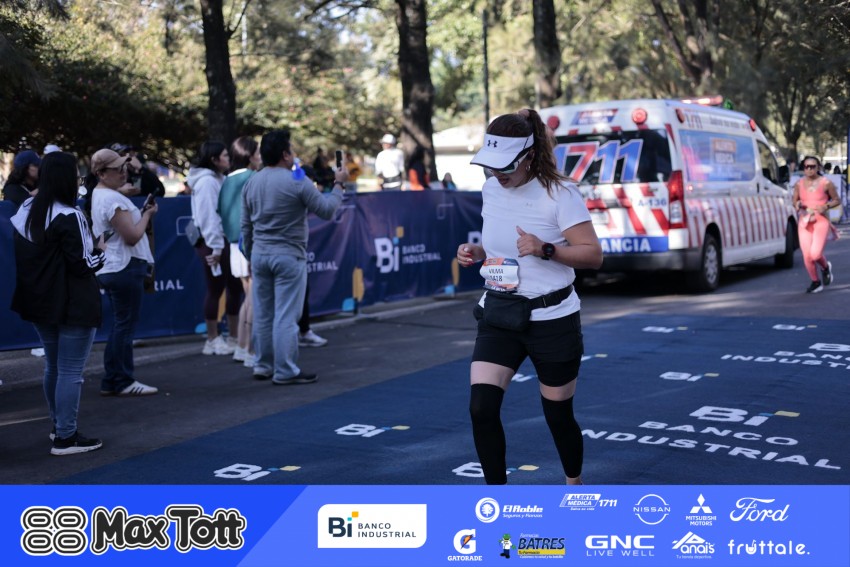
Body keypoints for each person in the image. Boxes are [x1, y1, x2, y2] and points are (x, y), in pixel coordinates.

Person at [456, 108, 602, 485]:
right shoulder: (491, 189)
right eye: (490, 166)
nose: (497, 174)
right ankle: (497, 500)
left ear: (529, 156)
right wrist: (477, 252)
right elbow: (500, 247)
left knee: (558, 415)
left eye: (505, 165)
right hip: (500, 313)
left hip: (552, 319)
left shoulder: (560, 193)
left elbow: (593, 255)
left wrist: (546, 249)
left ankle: (573, 485)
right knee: (481, 409)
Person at [10, 152, 106, 454]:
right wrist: (101, 250)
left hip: (39, 301)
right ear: (66, 179)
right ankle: (66, 435)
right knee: (70, 371)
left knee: (54, 366)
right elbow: (84, 264)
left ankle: (59, 427)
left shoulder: (27, 208)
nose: (79, 180)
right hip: (73, 303)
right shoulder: (70, 215)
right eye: (77, 175)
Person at [241, 129, 345, 385]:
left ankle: (263, 364)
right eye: (292, 150)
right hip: (289, 255)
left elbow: (245, 226)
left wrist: (251, 254)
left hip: (260, 255)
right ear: (285, 155)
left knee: (263, 313)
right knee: (286, 315)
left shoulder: (252, 182)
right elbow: (327, 210)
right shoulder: (297, 181)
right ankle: (285, 370)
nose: (295, 154)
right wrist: (339, 184)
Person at [89, 149, 159, 396]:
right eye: (117, 169)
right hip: (124, 266)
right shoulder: (111, 199)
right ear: (101, 173)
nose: (123, 172)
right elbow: (132, 236)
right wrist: (147, 214)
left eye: (123, 167)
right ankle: (121, 380)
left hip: (114, 266)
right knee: (124, 326)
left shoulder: (102, 195)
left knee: (121, 325)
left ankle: (114, 380)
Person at [187, 141, 242, 356]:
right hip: (212, 242)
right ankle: (212, 339)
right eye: (225, 155)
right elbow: (208, 217)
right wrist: (216, 248)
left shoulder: (220, 179)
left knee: (234, 287)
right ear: (214, 159)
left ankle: (234, 336)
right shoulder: (207, 182)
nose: (228, 159)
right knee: (216, 289)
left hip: (224, 240)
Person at [218, 136, 261, 366]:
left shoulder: (227, 180)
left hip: (235, 245)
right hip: (250, 244)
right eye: (257, 152)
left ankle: (242, 347)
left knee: (248, 297)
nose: (260, 156)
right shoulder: (253, 178)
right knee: (254, 299)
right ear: (249, 155)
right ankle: (249, 349)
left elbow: (220, 212)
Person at [793, 155, 840, 294]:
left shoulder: (826, 183)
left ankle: (825, 268)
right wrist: (797, 204)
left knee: (815, 254)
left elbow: (837, 200)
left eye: (812, 166)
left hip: (821, 220)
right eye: (806, 166)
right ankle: (815, 282)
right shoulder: (799, 184)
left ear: (818, 167)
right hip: (804, 221)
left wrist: (825, 206)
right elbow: (794, 201)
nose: (809, 169)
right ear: (803, 168)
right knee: (807, 255)